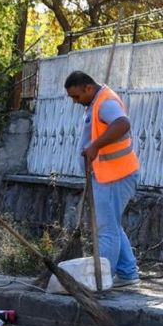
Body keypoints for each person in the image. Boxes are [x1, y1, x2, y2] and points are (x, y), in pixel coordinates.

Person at [64, 71, 140, 288]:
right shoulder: (96, 101)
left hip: (115, 176)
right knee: (112, 226)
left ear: (88, 88)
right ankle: (127, 274)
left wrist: (95, 146)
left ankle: (101, 279)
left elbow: (123, 123)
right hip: (108, 174)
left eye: (76, 96)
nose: (74, 101)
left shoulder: (105, 102)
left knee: (106, 230)